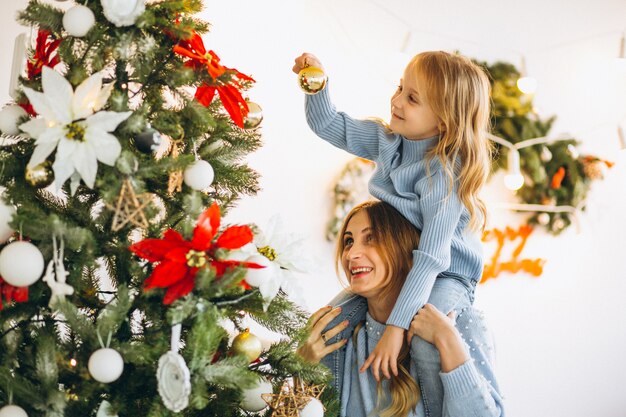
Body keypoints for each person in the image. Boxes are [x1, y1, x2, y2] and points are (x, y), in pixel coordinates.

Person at [293, 51, 492, 414]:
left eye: (412, 98)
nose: (396, 101)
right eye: (401, 88)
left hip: (447, 274)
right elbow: (328, 125)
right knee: (328, 325)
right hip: (408, 265)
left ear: (445, 121)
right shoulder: (388, 142)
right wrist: (315, 84)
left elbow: (431, 259)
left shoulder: (442, 176)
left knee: (424, 340)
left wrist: (397, 328)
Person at [297, 201, 503, 417]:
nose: (351, 254)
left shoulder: (461, 322)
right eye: (349, 241)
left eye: (372, 238)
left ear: (405, 249)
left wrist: (448, 340)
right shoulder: (339, 340)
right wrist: (303, 369)